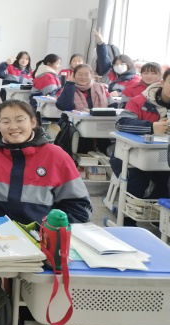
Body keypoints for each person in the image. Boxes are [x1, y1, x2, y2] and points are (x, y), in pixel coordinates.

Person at [0, 100, 92, 224]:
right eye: (6, 122)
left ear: (33, 122)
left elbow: (80, 208)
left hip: (41, 234)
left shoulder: (56, 156)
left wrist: (50, 229)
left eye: (20, 120)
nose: (13, 127)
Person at [112, 68, 170, 213]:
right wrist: (151, 127)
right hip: (131, 155)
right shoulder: (140, 101)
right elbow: (121, 123)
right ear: (162, 82)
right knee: (137, 180)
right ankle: (127, 217)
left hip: (163, 159)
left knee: (165, 183)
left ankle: (159, 217)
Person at [55, 64, 110, 154]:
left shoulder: (99, 88)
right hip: (74, 125)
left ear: (91, 76)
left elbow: (111, 104)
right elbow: (64, 106)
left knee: (105, 141)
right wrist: (70, 85)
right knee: (83, 140)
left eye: (86, 74)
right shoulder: (68, 87)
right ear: (74, 75)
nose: (83, 77)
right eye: (79, 74)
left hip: (98, 124)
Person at [93, 30, 139, 96]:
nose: (119, 66)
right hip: (105, 101)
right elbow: (103, 58)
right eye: (116, 64)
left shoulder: (135, 79)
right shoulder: (109, 73)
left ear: (128, 65)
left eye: (122, 64)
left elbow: (135, 94)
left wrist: (119, 94)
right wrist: (101, 43)